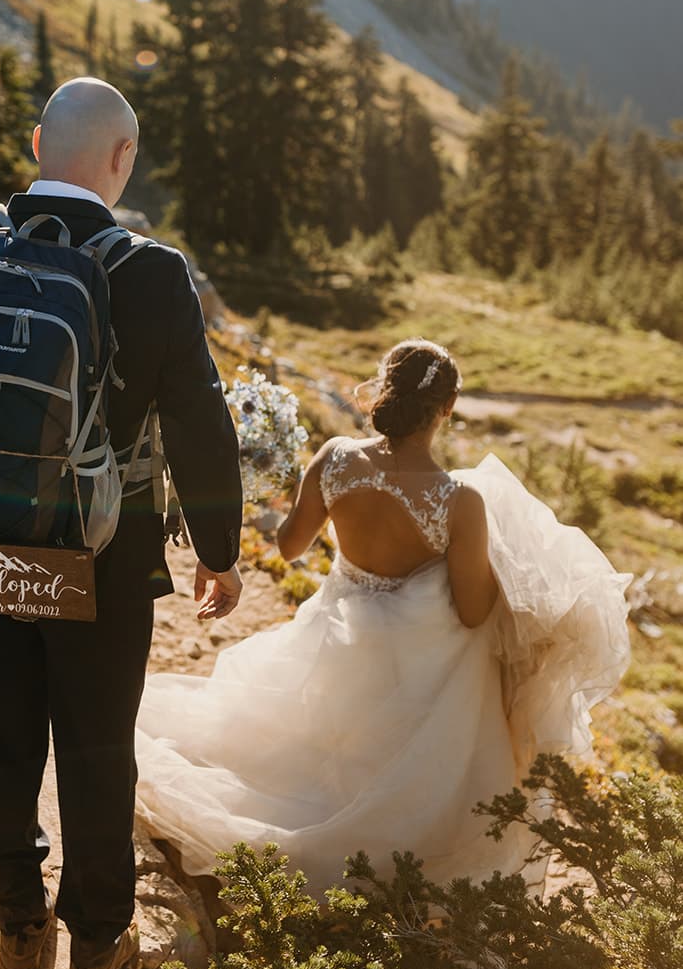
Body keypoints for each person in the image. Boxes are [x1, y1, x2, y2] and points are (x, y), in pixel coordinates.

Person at [0, 78, 244, 969]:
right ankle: (95, 952)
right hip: (105, 554)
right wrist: (219, 548)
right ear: (121, 160)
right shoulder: (152, 272)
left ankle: (15, 929)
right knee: (94, 747)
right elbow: (199, 420)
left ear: (39, 143)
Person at [136, 338, 631, 896]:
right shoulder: (458, 500)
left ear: (384, 388)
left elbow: (290, 547)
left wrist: (283, 487)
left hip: (338, 633)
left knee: (299, 745)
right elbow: (471, 615)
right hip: (414, 663)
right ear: (447, 409)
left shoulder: (336, 458)